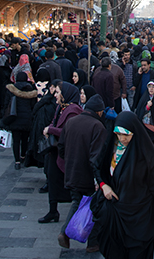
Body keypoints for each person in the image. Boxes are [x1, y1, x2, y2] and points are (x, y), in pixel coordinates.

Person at [92, 111, 154, 258]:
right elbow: (97, 167)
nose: (122, 139)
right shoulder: (112, 147)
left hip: (140, 218)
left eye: (126, 135)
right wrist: (104, 185)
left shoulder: (147, 154)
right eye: (118, 134)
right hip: (116, 216)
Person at [57, 93, 107, 253]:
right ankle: (92, 242)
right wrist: (99, 179)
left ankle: (65, 233)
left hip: (71, 171)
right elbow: (96, 157)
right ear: (99, 112)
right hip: (87, 176)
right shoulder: (97, 127)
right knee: (94, 207)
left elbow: (61, 148)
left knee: (76, 201)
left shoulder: (71, 122)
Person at [38, 81, 82, 223]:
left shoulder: (73, 110)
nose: (55, 95)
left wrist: (50, 130)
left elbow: (68, 131)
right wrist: (49, 127)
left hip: (65, 153)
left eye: (57, 92)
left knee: (70, 185)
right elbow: (54, 122)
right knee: (52, 179)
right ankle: (53, 211)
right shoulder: (61, 108)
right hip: (55, 151)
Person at [4, 72, 38, 170]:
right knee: (25, 139)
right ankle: (23, 156)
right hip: (26, 118)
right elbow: (33, 105)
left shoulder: (11, 89)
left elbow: (6, 103)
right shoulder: (30, 89)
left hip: (14, 118)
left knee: (16, 140)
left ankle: (17, 160)